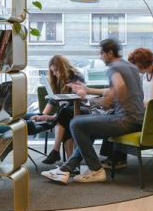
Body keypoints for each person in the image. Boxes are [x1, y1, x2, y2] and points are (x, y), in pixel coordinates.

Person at [43, 38, 145, 184]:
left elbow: (119, 87)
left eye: (101, 54)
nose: (100, 57)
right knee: (86, 129)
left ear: (109, 53)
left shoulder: (114, 68)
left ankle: (96, 169)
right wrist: (88, 90)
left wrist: (105, 101)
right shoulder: (131, 67)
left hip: (124, 120)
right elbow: (117, 88)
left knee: (75, 123)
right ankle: (65, 170)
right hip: (138, 120)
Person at [26, 55, 83, 165]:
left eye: (56, 71)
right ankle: (70, 162)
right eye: (53, 72)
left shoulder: (75, 77)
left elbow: (74, 102)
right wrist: (42, 115)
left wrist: (51, 117)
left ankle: (56, 151)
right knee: (64, 121)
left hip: (79, 109)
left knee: (64, 116)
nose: (55, 74)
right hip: (65, 113)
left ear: (63, 68)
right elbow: (52, 100)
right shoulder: (58, 80)